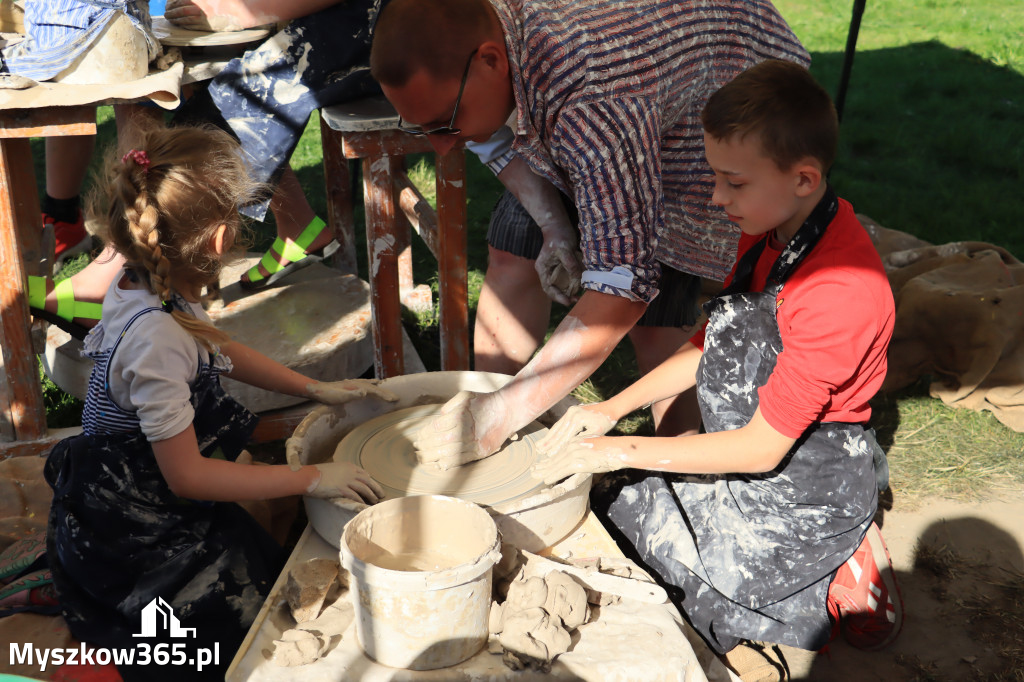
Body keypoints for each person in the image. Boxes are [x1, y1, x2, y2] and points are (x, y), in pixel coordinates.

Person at [532, 60, 903, 658]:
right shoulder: (773, 225)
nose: (715, 196)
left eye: (733, 182)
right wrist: (611, 413)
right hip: (761, 441)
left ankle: (844, 561)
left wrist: (616, 447)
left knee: (676, 585)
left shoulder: (840, 292)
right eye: (715, 177)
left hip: (802, 480)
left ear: (804, 179)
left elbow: (762, 449)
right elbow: (712, 341)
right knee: (611, 506)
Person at [370, 0, 811, 468]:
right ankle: (483, 409)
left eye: (444, 121)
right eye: (423, 127)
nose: (441, 145)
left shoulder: (592, 102)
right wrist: (554, 226)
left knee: (658, 309)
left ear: (492, 61)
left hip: (731, 80)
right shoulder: (480, 44)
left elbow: (626, 284)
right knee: (513, 246)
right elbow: (490, 137)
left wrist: (506, 414)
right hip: (631, 75)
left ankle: (681, 467)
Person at [43, 125, 396, 681]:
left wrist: (313, 389)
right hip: (133, 524)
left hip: (145, 484)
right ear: (219, 238)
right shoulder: (157, 339)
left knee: (265, 564)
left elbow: (215, 344)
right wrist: (311, 478)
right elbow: (187, 477)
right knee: (237, 632)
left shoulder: (145, 283)